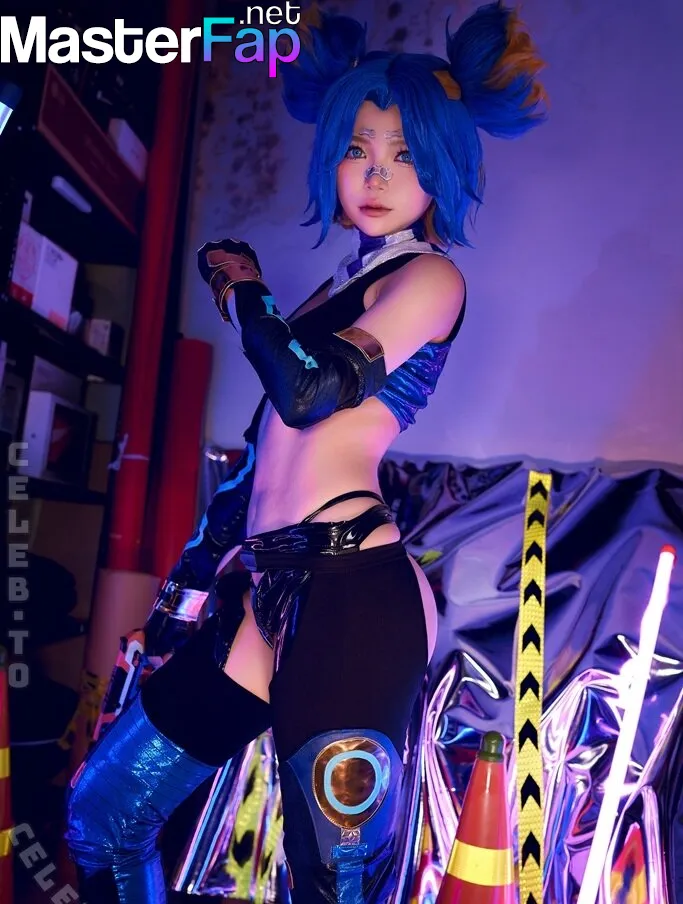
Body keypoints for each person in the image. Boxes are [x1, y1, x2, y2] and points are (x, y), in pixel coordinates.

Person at [65, 3, 546, 901]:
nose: (376, 172)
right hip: (268, 584)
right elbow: (257, 473)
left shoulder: (431, 279)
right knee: (104, 815)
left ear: (443, 167)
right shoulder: (335, 291)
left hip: (352, 591)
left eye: (404, 153)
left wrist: (243, 291)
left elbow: (308, 391)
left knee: (332, 882)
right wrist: (173, 612)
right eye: (358, 149)